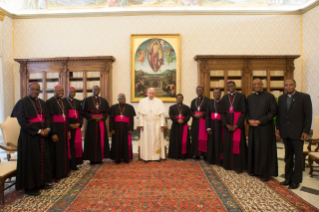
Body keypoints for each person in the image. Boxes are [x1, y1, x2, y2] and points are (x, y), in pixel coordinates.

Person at [11, 82, 52, 196]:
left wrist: (48, 129)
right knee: (31, 160)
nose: (35, 91)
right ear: (28, 90)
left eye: (37, 90)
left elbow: (47, 118)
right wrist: (38, 131)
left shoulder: (42, 103)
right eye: (32, 89)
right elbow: (22, 121)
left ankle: (42, 182)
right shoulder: (22, 102)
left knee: (42, 158)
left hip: (43, 136)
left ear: (40, 91)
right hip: (29, 137)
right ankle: (30, 187)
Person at [276, 79, 312, 189]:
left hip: (298, 132)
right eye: (286, 85)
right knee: (288, 157)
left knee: (298, 158)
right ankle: (288, 178)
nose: (288, 86)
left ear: (295, 85)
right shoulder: (281, 98)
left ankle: (296, 180)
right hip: (285, 132)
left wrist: (306, 131)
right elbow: (280, 115)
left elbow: (308, 115)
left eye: (291, 84)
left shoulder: (304, 97)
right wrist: (278, 128)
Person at [246, 79, 278, 182]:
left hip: (265, 127)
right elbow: (246, 112)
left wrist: (260, 121)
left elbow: (273, 112)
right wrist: (248, 120)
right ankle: (253, 170)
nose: (256, 85)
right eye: (254, 84)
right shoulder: (250, 97)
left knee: (264, 150)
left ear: (262, 85)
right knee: (253, 148)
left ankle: (265, 173)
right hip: (253, 128)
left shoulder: (269, 96)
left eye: (258, 84)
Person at [220, 80, 247, 173]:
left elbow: (244, 113)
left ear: (235, 86)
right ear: (227, 88)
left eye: (232, 86)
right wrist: (227, 125)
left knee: (239, 145)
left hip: (237, 126)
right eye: (229, 86)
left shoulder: (241, 96)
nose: (230, 87)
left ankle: (239, 166)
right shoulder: (224, 97)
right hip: (228, 126)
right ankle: (228, 165)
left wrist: (236, 125)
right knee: (227, 144)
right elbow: (222, 114)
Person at [46, 84, 70, 182]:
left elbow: (66, 117)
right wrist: (53, 133)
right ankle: (55, 174)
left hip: (63, 129)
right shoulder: (49, 102)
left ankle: (63, 171)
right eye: (58, 91)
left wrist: (68, 130)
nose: (60, 93)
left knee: (63, 151)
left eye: (62, 91)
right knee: (55, 152)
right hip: (56, 129)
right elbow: (49, 119)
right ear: (54, 91)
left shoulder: (63, 101)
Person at [82, 85, 110, 164]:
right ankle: (92, 158)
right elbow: (84, 112)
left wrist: (102, 117)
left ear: (100, 90)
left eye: (98, 89)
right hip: (91, 123)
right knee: (91, 140)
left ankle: (100, 158)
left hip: (101, 123)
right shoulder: (87, 100)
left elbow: (107, 112)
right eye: (95, 89)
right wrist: (91, 117)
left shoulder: (103, 100)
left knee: (100, 140)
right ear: (92, 90)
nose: (96, 91)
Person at [137, 88, 166, 161]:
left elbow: (162, 115)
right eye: (150, 93)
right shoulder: (142, 102)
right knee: (146, 140)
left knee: (157, 139)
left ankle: (157, 156)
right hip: (146, 124)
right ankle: (146, 157)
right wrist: (141, 125)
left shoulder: (159, 101)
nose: (151, 95)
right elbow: (141, 115)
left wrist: (162, 124)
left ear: (155, 94)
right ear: (147, 93)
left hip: (157, 124)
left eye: (153, 93)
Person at [109, 93, 136, 163]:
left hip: (126, 128)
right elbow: (111, 119)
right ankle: (117, 158)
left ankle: (126, 158)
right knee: (116, 142)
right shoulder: (113, 107)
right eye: (120, 99)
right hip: (116, 128)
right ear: (118, 99)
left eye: (124, 99)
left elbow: (131, 119)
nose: (122, 100)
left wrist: (130, 128)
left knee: (125, 143)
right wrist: (112, 129)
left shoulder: (130, 107)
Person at [62, 87, 83, 170]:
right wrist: (69, 125)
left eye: (74, 92)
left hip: (76, 127)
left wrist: (79, 124)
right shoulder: (63, 101)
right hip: (68, 127)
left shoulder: (77, 102)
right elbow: (64, 115)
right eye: (71, 92)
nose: (72, 93)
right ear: (67, 91)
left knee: (76, 146)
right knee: (69, 146)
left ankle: (75, 164)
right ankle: (69, 164)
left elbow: (81, 115)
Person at [168, 94, 191, 160]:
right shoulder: (172, 107)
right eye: (178, 98)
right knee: (175, 140)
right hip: (175, 126)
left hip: (184, 126)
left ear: (182, 99)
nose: (179, 99)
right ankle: (174, 155)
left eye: (180, 98)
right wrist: (177, 120)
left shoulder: (186, 107)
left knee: (184, 141)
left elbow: (188, 116)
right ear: (176, 99)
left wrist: (183, 120)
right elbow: (171, 116)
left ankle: (184, 155)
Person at [190, 85, 210, 159]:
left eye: (200, 90)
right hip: (196, 121)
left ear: (203, 91)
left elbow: (208, 111)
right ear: (196, 92)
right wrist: (194, 115)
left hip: (204, 121)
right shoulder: (193, 101)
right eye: (197, 90)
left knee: (204, 137)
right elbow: (191, 111)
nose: (199, 91)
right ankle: (196, 153)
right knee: (195, 137)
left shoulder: (208, 100)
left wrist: (202, 114)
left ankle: (204, 154)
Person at [206, 87, 223, 165]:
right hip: (212, 125)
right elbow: (207, 116)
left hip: (221, 125)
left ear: (220, 93)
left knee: (220, 142)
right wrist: (208, 127)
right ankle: (211, 159)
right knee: (211, 142)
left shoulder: (224, 102)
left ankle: (220, 160)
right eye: (214, 93)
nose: (216, 94)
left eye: (217, 93)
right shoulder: (210, 103)